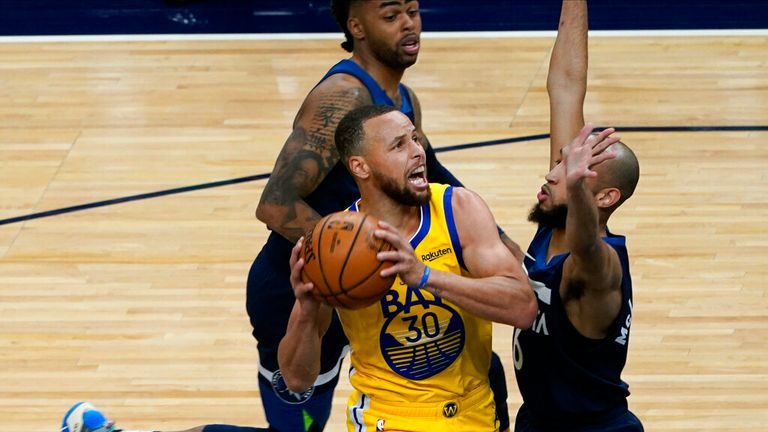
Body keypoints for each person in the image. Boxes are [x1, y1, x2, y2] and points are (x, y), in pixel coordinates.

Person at [62, 1, 519, 431]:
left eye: (413, 11)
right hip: (298, 287)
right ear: (356, 27)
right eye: (391, 14)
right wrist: (352, 252)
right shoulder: (343, 96)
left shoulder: (400, 104)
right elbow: (275, 203)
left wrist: (501, 239)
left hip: (375, 280)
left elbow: (436, 176)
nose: (409, 23)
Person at [278, 104, 539, 432]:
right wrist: (305, 309)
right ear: (361, 166)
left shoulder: (458, 209)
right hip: (383, 417)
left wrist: (425, 276)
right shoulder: (334, 243)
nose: (418, 151)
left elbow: (524, 307)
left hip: (467, 411)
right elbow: (297, 380)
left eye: (416, 139)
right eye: (399, 145)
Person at [511, 1, 643, 431]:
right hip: (538, 420)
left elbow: (586, 244)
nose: (551, 173)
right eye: (559, 163)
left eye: (567, 171)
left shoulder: (601, 266)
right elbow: (566, 85)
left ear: (604, 196)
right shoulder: (559, 211)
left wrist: (575, 182)